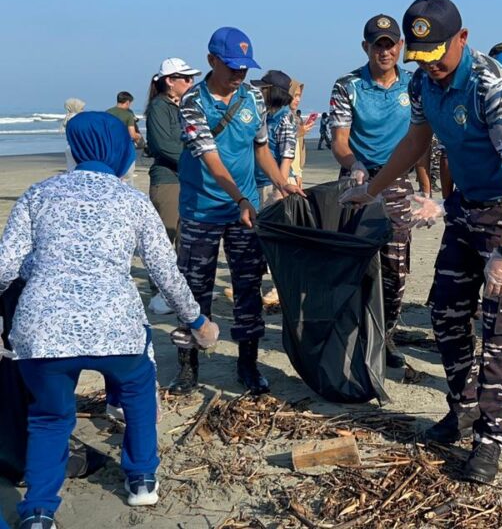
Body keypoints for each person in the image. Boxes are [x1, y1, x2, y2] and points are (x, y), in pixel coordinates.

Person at [340, 0, 502, 484]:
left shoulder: (492, 85)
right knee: (446, 313)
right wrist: (372, 188)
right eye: (421, 55)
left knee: (498, 333)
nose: (430, 67)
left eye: (438, 56)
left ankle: (490, 440)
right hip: (465, 210)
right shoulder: (421, 81)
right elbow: (416, 141)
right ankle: (463, 409)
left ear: (463, 38)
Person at [0, 112, 219, 528]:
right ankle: (141, 480)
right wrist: (197, 320)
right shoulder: (132, 200)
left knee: (49, 417)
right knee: (137, 390)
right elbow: (165, 272)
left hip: (44, 330)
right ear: (119, 149)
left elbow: (5, 265)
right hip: (115, 326)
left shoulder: (38, 194)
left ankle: (40, 509)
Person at [170, 26, 302, 396]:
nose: (238, 75)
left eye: (244, 69)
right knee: (195, 291)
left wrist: (281, 181)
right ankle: (188, 365)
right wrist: (241, 200)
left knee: (247, 288)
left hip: (245, 213)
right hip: (201, 211)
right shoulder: (193, 103)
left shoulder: (253, 100)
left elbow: (261, 149)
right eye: (232, 68)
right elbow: (214, 164)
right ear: (211, 61)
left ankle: (248, 362)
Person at [328, 14, 414, 368]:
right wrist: (355, 165)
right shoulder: (347, 86)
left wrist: (425, 187)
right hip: (358, 179)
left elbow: (422, 138)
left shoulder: (414, 84)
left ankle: (386, 334)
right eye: (377, 44)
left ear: (401, 46)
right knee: (353, 260)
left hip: (397, 183)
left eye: (391, 43)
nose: (385, 51)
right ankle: (351, 333)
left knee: (396, 266)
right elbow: (339, 141)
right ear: (366, 47)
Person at [145, 58, 203, 315]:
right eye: (186, 78)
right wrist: (197, 160)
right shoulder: (159, 106)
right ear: (170, 81)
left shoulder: (183, 105)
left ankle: (179, 288)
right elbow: (161, 145)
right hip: (168, 179)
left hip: (186, 178)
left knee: (185, 236)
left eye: (192, 78)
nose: (191, 82)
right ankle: (160, 288)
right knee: (165, 235)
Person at [251, 70, 297, 210]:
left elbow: (287, 157)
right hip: (258, 182)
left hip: (274, 183)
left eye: (263, 89)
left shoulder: (285, 118)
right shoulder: (264, 115)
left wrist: (279, 190)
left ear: (273, 92)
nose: (259, 92)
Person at [107, 91, 143, 185]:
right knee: (127, 177)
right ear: (127, 102)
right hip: (125, 148)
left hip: (110, 147)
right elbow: (132, 134)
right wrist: (138, 136)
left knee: (112, 175)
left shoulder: (108, 112)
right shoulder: (128, 115)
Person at [289, 82, 314, 189]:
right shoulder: (283, 118)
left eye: (299, 96)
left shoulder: (293, 117)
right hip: (287, 175)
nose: (298, 99)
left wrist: (298, 172)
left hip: (295, 172)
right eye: (295, 96)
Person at [62, 98, 86, 171]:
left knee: (72, 170)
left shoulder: (68, 117)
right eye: (82, 108)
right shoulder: (77, 118)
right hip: (78, 148)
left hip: (70, 147)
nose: (83, 110)